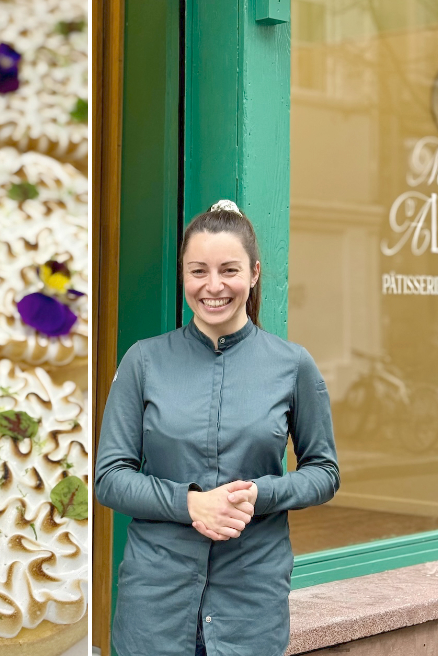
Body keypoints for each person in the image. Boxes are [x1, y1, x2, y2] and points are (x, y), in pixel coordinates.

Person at [96, 200, 340, 656]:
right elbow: (109, 478)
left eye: (228, 270)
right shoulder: (143, 361)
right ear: (184, 276)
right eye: (198, 271)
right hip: (155, 605)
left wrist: (261, 494)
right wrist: (190, 504)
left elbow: (324, 472)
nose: (213, 286)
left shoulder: (292, 365)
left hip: (251, 603)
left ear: (253, 274)